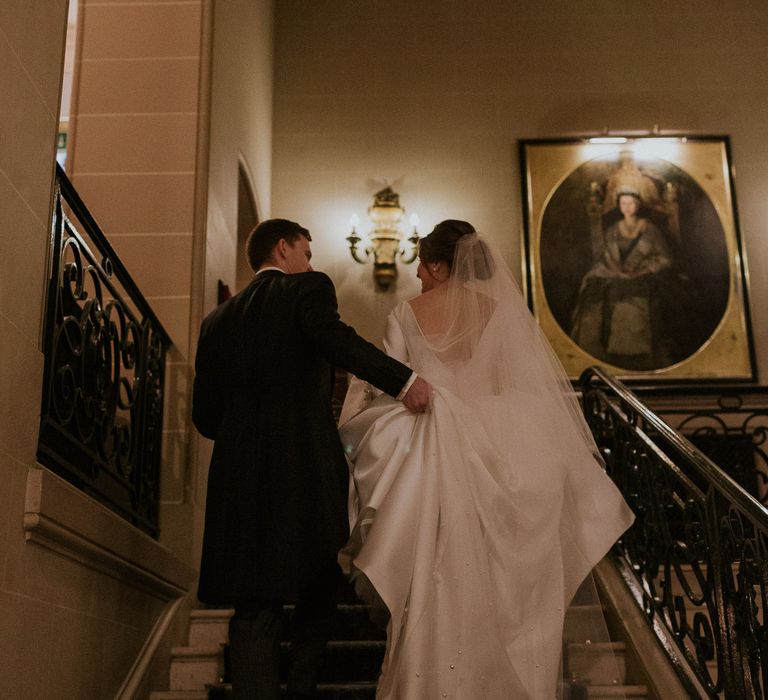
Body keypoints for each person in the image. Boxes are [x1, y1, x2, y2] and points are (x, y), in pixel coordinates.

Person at [338, 220, 635, 699]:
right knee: (504, 573)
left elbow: (394, 385)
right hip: (504, 445)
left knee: (435, 571)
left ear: (436, 263)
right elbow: (509, 379)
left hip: (432, 450)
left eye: (420, 263)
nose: (416, 273)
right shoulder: (499, 311)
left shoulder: (406, 313)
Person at [193, 218, 432, 699]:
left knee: (253, 601)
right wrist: (403, 381)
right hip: (302, 463)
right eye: (306, 250)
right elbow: (335, 339)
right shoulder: (306, 289)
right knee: (320, 576)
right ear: (283, 249)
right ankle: (300, 689)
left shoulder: (215, 321)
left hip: (237, 475)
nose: (310, 260)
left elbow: (204, 415)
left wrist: (244, 436)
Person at [569, 188, 674, 370]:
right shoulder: (613, 230)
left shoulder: (649, 229)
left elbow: (665, 259)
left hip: (644, 278)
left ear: (638, 205)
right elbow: (606, 256)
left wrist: (643, 270)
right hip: (616, 275)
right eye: (623, 203)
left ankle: (641, 353)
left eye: (631, 203)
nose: (627, 207)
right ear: (619, 205)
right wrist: (617, 270)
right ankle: (604, 350)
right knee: (593, 291)